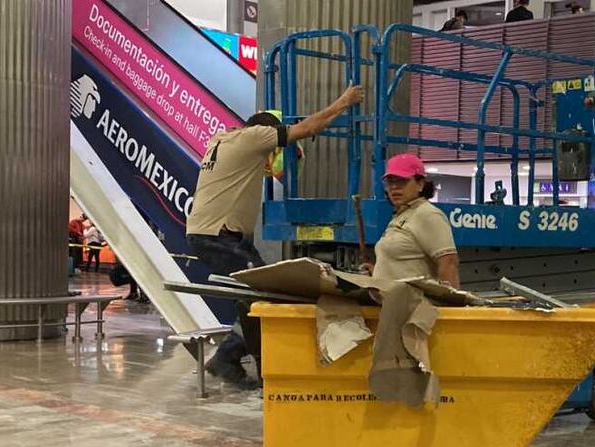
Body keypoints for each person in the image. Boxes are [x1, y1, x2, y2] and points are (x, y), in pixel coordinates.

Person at [186, 85, 365, 387]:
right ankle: (232, 360)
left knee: (255, 296)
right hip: (218, 236)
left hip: (213, 234)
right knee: (261, 295)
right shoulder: (257, 137)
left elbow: (258, 170)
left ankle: (239, 361)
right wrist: (343, 102)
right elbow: (309, 128)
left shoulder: (224, 139)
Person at [366, 154, 459, 287]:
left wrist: (452, 299)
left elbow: (448, 262)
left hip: (414, 300)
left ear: (420, 184)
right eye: (390, 182)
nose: (394, 187)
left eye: (402, 181)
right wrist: (378, 272)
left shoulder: (427, 214)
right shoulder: (402, 215)